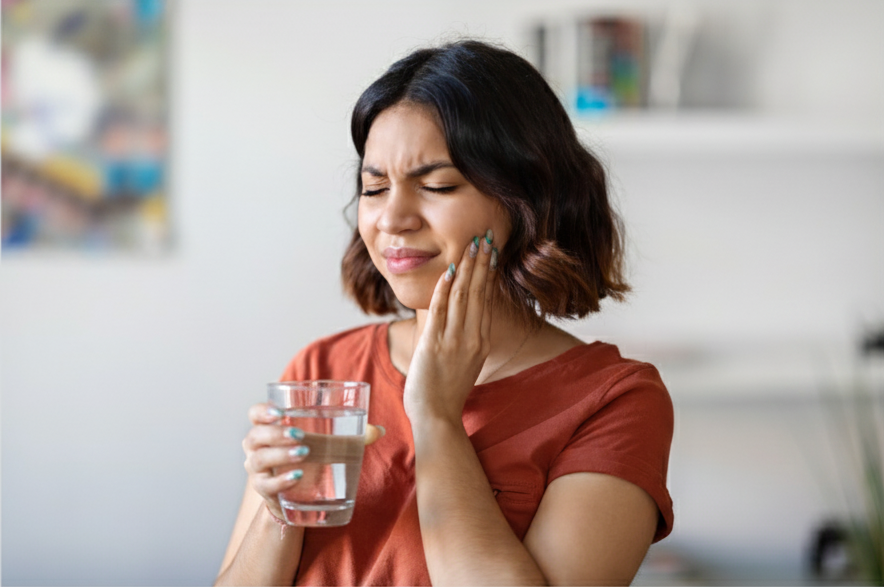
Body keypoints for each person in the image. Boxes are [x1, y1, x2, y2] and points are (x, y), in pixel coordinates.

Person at [216, 39, 673, 586]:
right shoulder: (322, 369)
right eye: (374, 187)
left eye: (437, 185)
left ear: (526, 200)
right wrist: (278, 512)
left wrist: (435, 417)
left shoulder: (614, 401)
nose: (393, 218)